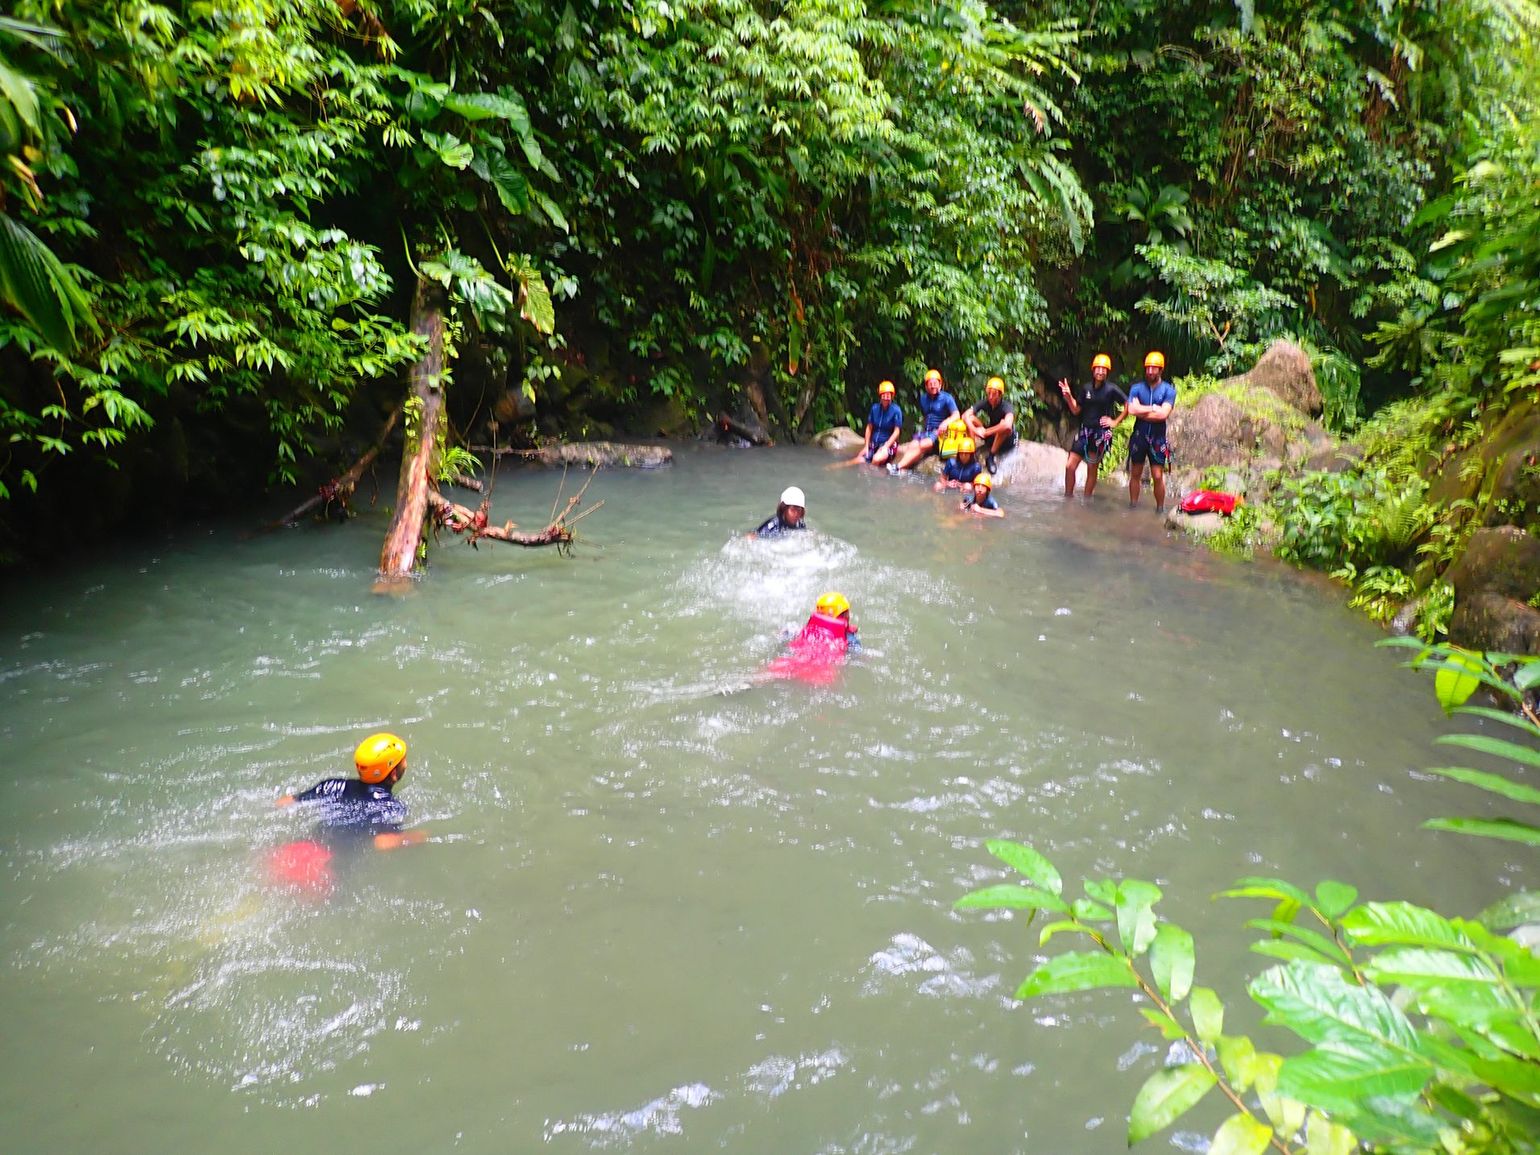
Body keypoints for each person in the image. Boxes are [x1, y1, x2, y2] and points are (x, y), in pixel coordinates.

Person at [276, 732, 425, 853]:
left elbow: (285, 803)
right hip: (328, 861)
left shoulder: (332, 785)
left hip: (298, 848)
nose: (406, 764)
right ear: (393, 774)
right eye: (403, 761)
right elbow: (382, 843)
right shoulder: (389, 805)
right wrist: (413, 838)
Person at [1057, 353, 1127, 499]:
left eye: (1103, 369)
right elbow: (1076, 409)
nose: (1100, 371)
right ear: (1093, 370)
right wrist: (1069, 396)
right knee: (1070, 466)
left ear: (1107, 371)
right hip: (1085, 431)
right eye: (1098, 368)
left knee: (1092, 467)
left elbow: (1128, 404)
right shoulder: (1086, 388)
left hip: (1100, 433)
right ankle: (1068, 497)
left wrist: (1115, 422)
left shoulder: (1111, 389)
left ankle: (1087, 499)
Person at [765, 591, 860, 684]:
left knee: (771, 673)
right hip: (822, 669)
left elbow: (785, 634)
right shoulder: (849, 637)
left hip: (797, 657)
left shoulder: (805, 628)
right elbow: (856, 653)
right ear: (843, 614)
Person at [1126, 351, 1177, 512]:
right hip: (1139, 436)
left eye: (1153, 368)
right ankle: (1133, 505)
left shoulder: (1169, 390)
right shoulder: (1136, 388)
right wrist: (1153, 408)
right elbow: (1132, 410)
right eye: (1148, 368)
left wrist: (1143, 410)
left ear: (1160, 370)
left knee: (1157, 476)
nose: (1150, 371)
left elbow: (1163, 414)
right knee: (1135, 473)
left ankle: (1160, 509)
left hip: (1158, 438)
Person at [888, 368, 959, 473]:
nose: (933, 386)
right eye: (930, 383)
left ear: (940, 384)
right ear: (926, 386)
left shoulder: (946, 398)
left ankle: (898, 467)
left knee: (923, 444)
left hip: (941, 433)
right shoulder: (923, 399)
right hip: (928, 432)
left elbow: (956, 415)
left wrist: (945, 423)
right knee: (913, 445)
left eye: (935, 383)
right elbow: (926, 416)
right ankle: (903, 467)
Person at [962, 376, 1018, 472]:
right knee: (970, 419)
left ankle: (991, 457)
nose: (991, 397)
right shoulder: (985, 403)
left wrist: (986, 432)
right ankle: (972, 452)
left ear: (1000, 395)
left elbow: (1008, 425)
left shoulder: (1006, 406)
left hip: (1005, 440)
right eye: (989, 393)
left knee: (1004, 425)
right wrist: (976, 431)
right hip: (992, 436)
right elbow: (965, 415)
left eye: (994, 394)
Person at [850, 380, 904, 466]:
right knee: (859, 459)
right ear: (880, 395)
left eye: (888, 395)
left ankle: (868, 476)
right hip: (874, 443)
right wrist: (866, 446)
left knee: (876, 459)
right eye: (884, 395)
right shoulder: (875, 408)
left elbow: (897, 431)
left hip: (888, 444)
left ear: (892, 396)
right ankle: (834, 467)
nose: (886, 397)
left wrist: (886, 446)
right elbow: (869, 427)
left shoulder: (896, 410)